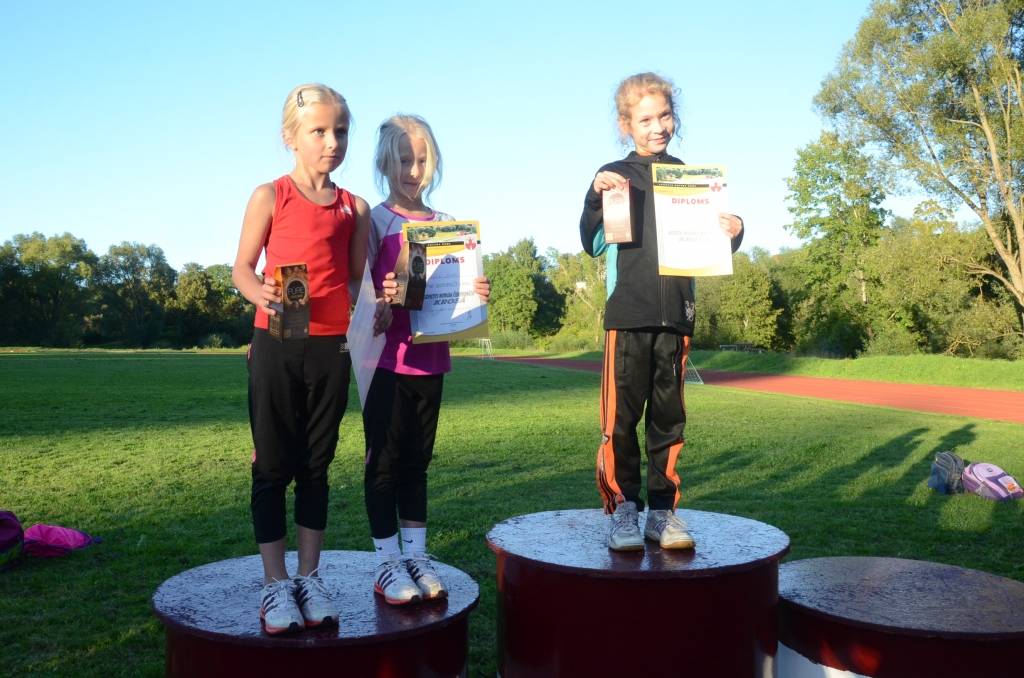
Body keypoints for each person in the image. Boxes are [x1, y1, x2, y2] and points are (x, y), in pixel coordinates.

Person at [232, 83, 390, 634]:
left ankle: (309, 577)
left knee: (316, 466)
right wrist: (259, 292)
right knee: (273, 465)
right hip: (275, 344)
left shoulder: (354, 207)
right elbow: (241, 268)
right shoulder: (269, 196)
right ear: (290, 137)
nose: (332, 142)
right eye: (318, 131)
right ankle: (275, 584)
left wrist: (377, 305)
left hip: (331, 348)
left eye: (340, 131)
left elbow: (355, 280)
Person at [579, 72, 744, 552]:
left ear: (675, 117)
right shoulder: (614, 175)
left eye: (665, 116)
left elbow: (713, 243)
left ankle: (662, 513)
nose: (658, 127)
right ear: (626, 124)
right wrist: (594, 195)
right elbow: (591, 242)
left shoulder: (689, 178)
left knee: (669, 422)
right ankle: (623, 510)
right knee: (620, 422)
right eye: (646, 119)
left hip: (676, 317)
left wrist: (734, 229)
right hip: (627, 317)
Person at [364, 114, 490, 605]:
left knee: (417, 463)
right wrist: (380, 296)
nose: (413, 171)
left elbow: (455, 291)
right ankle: (386, 562)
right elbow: (360, 292)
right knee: (384, 463)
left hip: (430, 361)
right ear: (384, 163)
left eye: (421, 160)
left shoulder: (447, 226)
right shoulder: (375, 221)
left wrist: (476, 292)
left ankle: (416, 555)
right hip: (384, 363)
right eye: (403, 160)